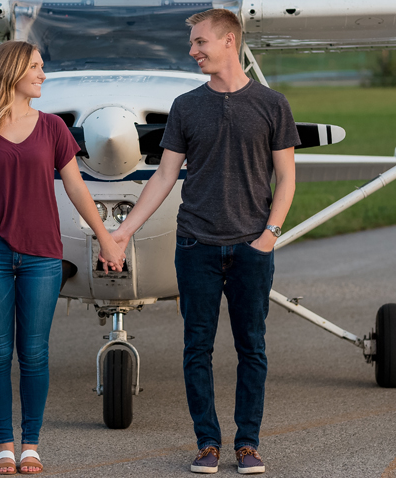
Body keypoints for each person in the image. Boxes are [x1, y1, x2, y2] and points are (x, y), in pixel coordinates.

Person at [110, 9, 298, 475]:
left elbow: (288, 178)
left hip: (252, 248)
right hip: (196, 246)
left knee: (251, 346)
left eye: (200, 43)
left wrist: (269, 236)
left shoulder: (273, 104)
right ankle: (208, 443)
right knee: (197, 347)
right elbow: (163, 177)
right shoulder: (186, 106)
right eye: (192, 43)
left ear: (229, 41)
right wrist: (122, 231)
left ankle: (248, 443)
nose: (192, 51)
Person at [0, 40, 125, 475]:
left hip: (41, 257)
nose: (42, 74)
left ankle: (31, 444)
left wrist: (107, 238)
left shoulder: (53, 127)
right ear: (12, 72)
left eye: (41, 67)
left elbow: (75, 188)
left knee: (34, 353)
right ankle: (4, 444)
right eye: (35, 67)